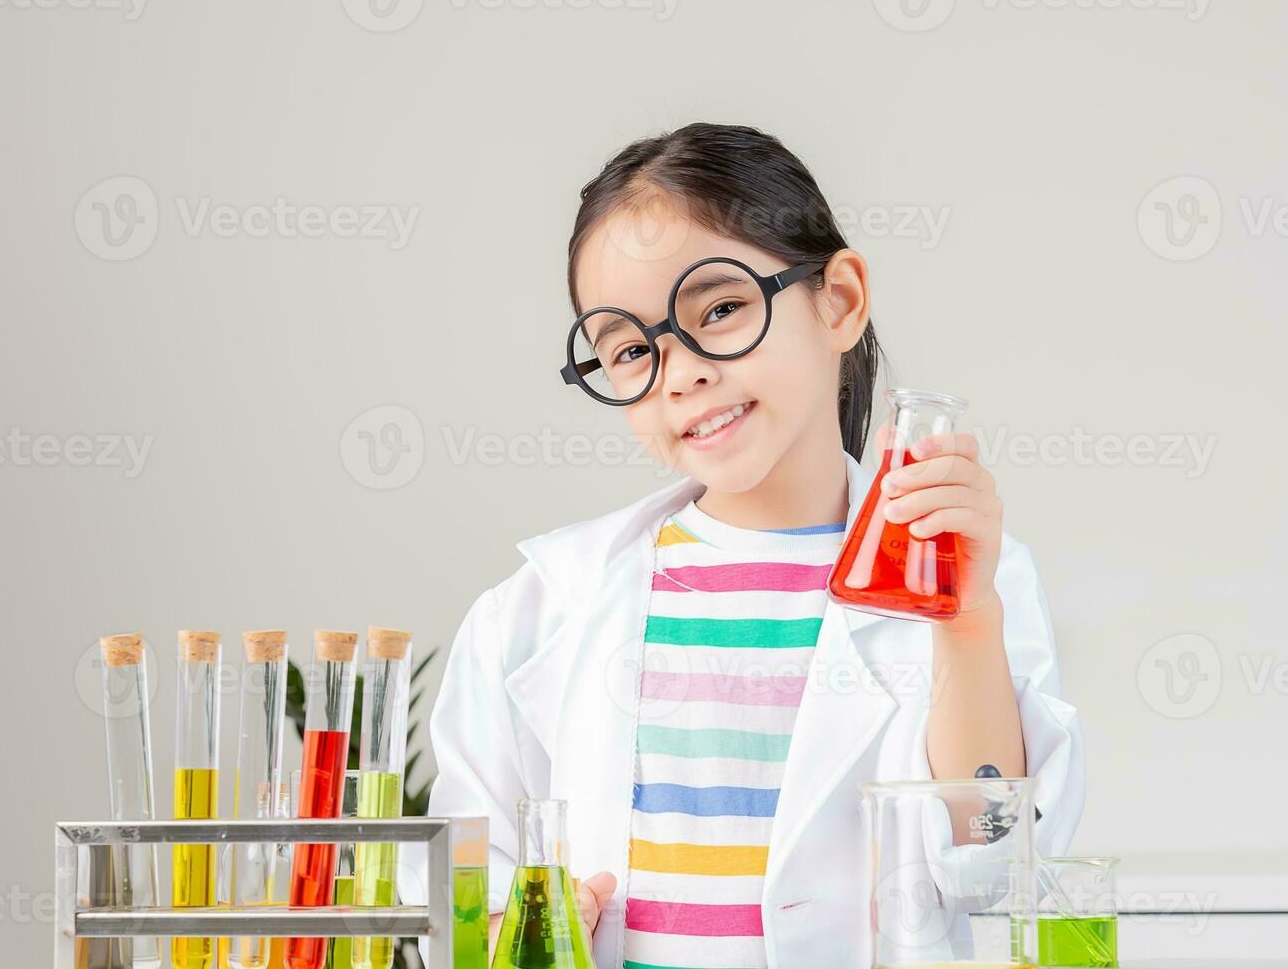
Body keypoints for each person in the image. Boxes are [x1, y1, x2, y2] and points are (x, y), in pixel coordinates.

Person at [417, 122, 1084, 968]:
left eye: (722, 309)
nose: (681, 372)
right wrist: (531, 934)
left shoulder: (968, 584)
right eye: (628, 349)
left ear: (837, 301)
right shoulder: (538, 610)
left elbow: (991, 863)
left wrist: (968, 619)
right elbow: (464, 903)